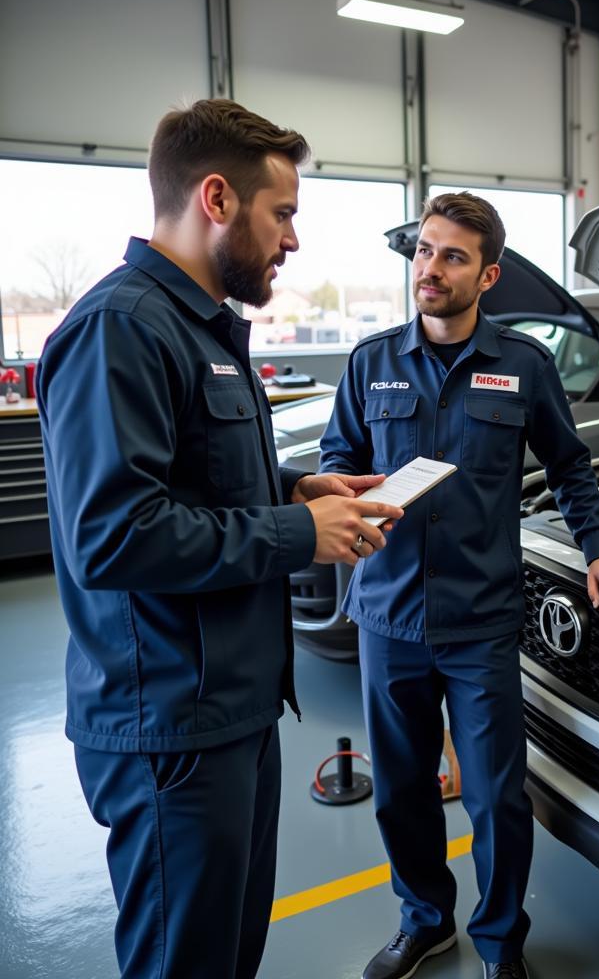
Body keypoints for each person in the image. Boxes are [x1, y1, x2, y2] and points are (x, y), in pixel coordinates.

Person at [36, 98, 404, 979]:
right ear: (216, 198)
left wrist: (297, 490)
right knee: (184, 963)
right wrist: (296, 531)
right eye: (284, 214)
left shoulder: (202, 329)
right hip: (169, 722)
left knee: (229, 954)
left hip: (232, 709)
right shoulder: (120, 329)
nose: (293, 240)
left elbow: (190, 482)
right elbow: (112, 535)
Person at [319, 192, 599, 979]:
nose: (429, 269)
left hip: (481, 622)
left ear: (489, 275)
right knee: (399, 792)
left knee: (499, 801)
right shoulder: (372, 363)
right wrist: (344, 502)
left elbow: (572, 470)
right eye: (424, 252)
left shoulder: (523, 367)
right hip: (388, 615)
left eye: (452, 257)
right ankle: (425, 921)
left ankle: (502, 944)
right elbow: (337, 463)